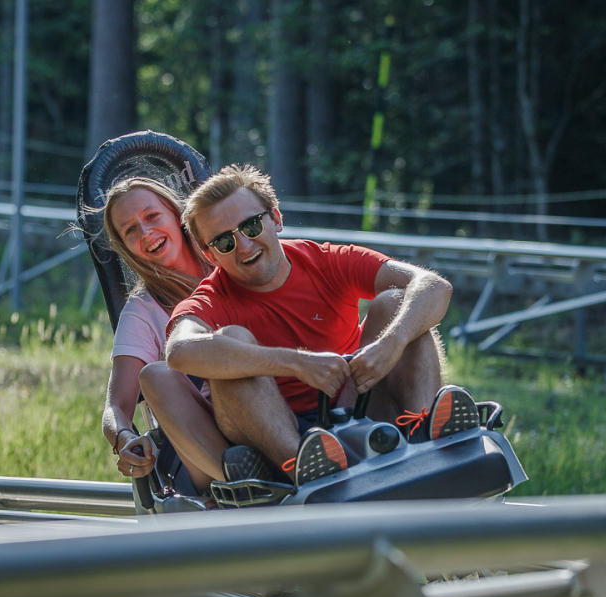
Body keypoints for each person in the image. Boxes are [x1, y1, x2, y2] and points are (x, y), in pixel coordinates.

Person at [165, 164, 478, 487]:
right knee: (232, 340)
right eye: (224, 242)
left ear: (276, 218)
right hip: (278, 433)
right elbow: (179, 351)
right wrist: (295, 363)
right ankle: (307, 467)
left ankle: (424, 431)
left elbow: (433, 286)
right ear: (211, 255)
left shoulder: (326, 260)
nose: (244, 246)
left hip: (354, 405)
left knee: (396, 301)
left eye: (251, 225)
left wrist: (392, 343)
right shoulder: (212, 297)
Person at [96, 177, 228, 493]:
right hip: (205, 449)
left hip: (268, 410)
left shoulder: (232, 260)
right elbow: (117, 407)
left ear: (175, 213)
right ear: (125, 247)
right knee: (158, 374)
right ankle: (240, 477)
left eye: (152, 216)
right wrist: (125, 438)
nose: (145, 232)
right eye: (130, 230)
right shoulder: (142, 311)